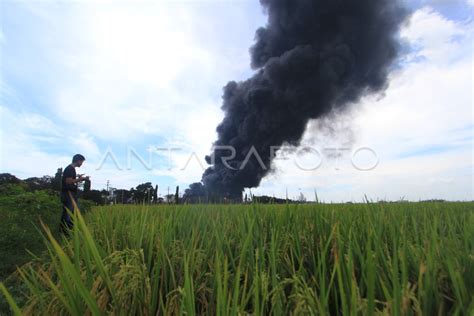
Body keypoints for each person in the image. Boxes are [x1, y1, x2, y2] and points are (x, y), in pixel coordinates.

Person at [59, 154, 89, 235]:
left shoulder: (71, 169)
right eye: (82, 162)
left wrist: (77, 177)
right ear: (78, 160)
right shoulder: (70, 169)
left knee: (69, 212)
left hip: (69, 194)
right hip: (68, 194)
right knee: (68, 213)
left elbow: (70, 179)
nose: (82, 164)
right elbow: (68, 181)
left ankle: (64, 231)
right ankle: (65, 232)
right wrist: (81, 179)